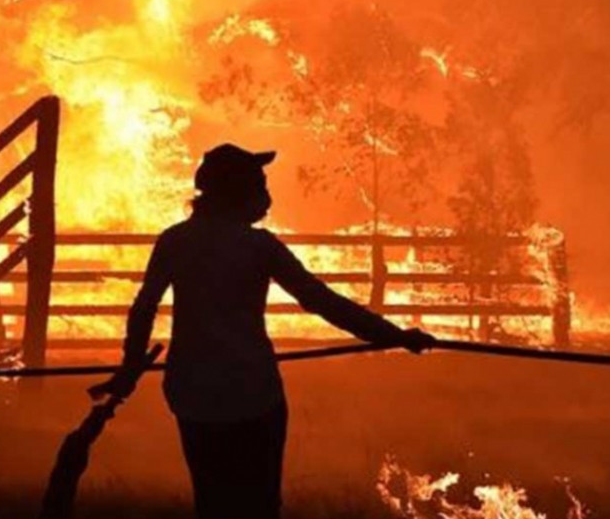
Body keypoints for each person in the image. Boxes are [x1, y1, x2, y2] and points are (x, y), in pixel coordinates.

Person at [91, 143, 436, 519]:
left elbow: (144, 308)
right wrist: (394, 335)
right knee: (260, 505)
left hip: (194, 394)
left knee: (212, 502)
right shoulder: (258, 247)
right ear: (237, 191)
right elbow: (321, 301)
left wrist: (129, 369)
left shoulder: (176, 241)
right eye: (259, 184)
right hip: (252, 393)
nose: (266, 195)